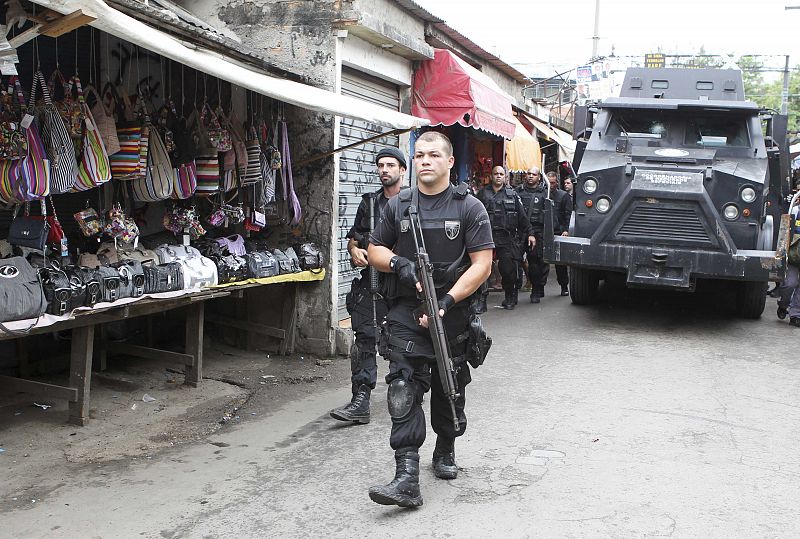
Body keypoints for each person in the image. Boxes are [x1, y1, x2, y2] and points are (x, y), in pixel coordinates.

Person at [366, 131, 493, 507]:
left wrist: (448, 300)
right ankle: (406, 475)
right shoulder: (399, 204)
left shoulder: (469, 207)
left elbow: (482, 264)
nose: (425, 160)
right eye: (419, 154)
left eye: (434, 155)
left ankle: (445, 447)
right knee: (402, 386)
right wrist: (398, 264)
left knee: (449, 384)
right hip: (407, 309)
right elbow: (374, 249)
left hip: (453, 311)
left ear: (450, 161)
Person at [329, 147, 406, 424]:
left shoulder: (414, 202)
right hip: (372, 281)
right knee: (364, 337)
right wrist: (354, 251)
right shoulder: (369, 204)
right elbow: (354, 238)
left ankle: (407, 390)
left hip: (403, 283)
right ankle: (361, 399)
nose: (384, 170)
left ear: (402, 170)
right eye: (380, 165)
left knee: (403, 340)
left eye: (390, 165)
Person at [476, 166, 534, 309]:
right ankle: (481, 300)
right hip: (486, 236)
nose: (498, 176)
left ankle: (510, 297)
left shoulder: (512, 194)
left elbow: (522, 217)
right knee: (481, 269)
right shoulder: (482, 194)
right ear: (491, 176)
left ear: (505, 177)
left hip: (506, 237)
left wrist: (531, 233)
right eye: (496, 174)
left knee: (508, 270)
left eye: (501, 174)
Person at [516, 167, 548, 302]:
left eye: (533, 174)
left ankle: (536, 290)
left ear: (539, 177)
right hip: (519, 231)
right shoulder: (518, 192)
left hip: (537, 231)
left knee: (535, 262)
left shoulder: (545, 193)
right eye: (528, 174)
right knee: (514, 261)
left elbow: (549, 214)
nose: (530, 176)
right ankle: (512, 294)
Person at [547, 171, 573, 296]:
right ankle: (538, 288)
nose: (550, 185)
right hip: (544, 230)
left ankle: (564, 285)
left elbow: (568, 214)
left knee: (560, 262)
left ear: (556, 183)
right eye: (548, 182)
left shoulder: (563, 196)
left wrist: (566, 230)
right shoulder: (542, 194)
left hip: (558, 231)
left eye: (552, 183)